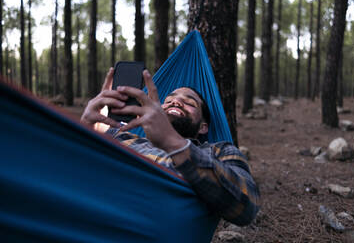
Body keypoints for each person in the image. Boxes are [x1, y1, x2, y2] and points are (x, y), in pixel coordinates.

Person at [81, 68, 260, 226]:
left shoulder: (219, 151)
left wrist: (171, 141)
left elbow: (247, 207)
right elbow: (75, 169)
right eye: (168, 101)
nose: (176, 102)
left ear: (203, 126)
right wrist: (85, 126)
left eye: (190, 103)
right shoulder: (121, 137)